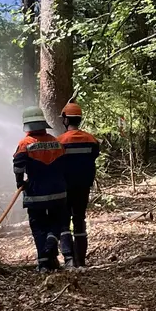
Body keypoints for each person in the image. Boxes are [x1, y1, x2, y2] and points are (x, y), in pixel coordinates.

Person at [13, 106, 72, 271]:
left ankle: (44, 263)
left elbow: (18, 166)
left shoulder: (25, 144)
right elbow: (64, 165)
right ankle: (52, 239)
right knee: (57, 222)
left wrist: (20, 182)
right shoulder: (56, 142)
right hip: (58, 192)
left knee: (38, 227)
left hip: (35, 194)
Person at [56, 101, 101, 267]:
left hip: (65, 187)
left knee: (64, 221)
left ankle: (68, 259)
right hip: (83, 187)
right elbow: (94, 156)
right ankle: (81, 259)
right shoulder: (92, 140)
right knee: (79, 220)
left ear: (66, 120)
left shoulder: (59, 141)